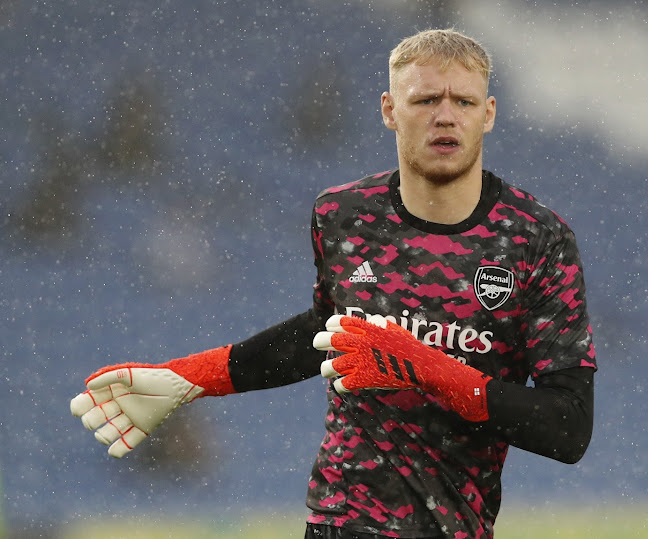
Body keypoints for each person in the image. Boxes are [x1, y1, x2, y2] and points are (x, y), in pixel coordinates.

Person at [71, 29, 597, 538]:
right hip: (336, 524)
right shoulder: (342, 215)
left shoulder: (536, 237)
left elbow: (568, 428)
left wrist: (424, 368)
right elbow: (324, 334)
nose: (444, 115)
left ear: (488, 114)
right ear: (390, 110)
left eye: (463, 101)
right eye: (425, 100)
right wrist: (190, 378)